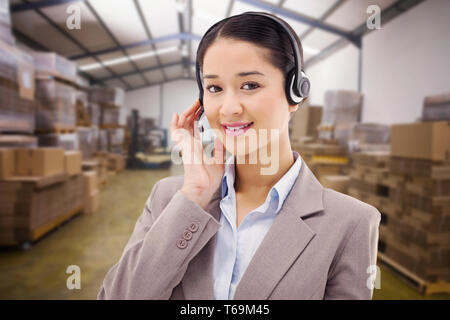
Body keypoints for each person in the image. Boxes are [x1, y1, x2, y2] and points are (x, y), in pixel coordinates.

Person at [97, 12, 381, 300]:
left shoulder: (351, 222)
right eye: (215, 88)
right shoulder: (168, 199)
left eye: (250, 85)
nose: (229, 108)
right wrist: (195, 195)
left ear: (296, 92)